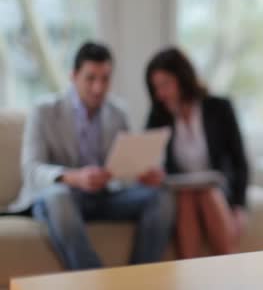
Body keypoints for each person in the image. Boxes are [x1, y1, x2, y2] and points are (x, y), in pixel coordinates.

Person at [11, 41, 175, 270]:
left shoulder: (118, 112)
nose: (98, 88)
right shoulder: (44, 111)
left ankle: (138, 282)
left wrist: (140, 174)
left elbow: (124, 166)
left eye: (105, 79)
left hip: (103, 196)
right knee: (58, 196)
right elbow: (31, 169)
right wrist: (74, 178)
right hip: (61, 196)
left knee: (160, 197)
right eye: (90, 78)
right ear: (73, 76)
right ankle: (97, 283)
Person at [145, 47, 249, 258]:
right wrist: (152, 173)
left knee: (207, 193)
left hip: (217, 189)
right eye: (156, 88)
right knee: (186, 197)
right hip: (181, 191)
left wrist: (239, 205)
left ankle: (231, 267)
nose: (160, 94)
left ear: (182, 78)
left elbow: (240, 161)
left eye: (165, 84)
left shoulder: (219, 108)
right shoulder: (158, 117)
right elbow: (148, 159)